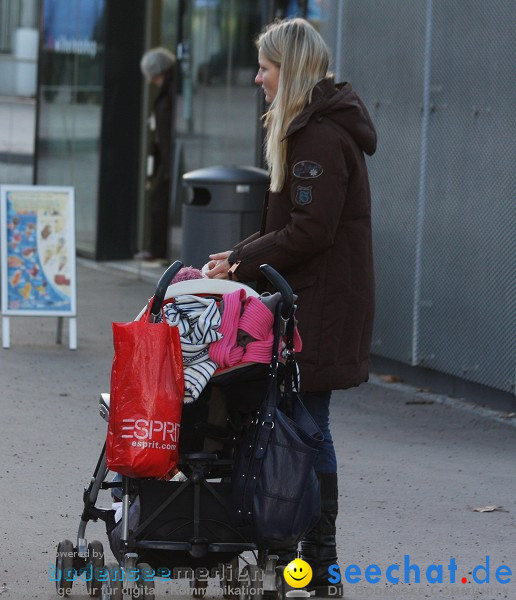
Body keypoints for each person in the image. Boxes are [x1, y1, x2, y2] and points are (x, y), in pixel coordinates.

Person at [202, 18, 376, 598]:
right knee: (303, 424)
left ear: (292, 70)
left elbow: (310, 232)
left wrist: (243, 263)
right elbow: (297, 230)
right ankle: (306, 560)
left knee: (308, 427)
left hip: (319, 306)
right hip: (315, 300)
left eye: (266, 68)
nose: (257, 79)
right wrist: (241, 255)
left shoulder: (318, 139)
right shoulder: (314, 131)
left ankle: (318, 563)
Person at [138, 47, 178, 262]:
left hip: (168, 154)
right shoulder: (169, 88)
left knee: (159, 198)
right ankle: (158, 249)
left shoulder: (170, 90)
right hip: (165, 153)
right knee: (158, 196)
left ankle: (159, 250)